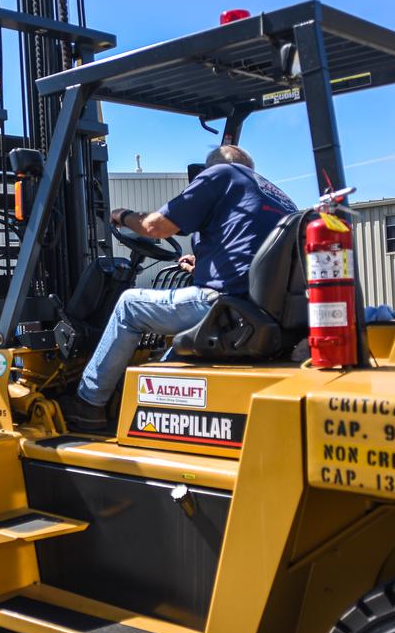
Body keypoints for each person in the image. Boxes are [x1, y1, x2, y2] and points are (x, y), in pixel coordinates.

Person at [60, 145, 297, 431]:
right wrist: (202, 266)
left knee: (128, 306)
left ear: (209, 168)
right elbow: (252, 258)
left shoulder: (221, 173)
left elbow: (154, 227)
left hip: (223, 304)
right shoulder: (276, 195)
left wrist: (121, 215)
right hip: (260, 309)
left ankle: (89, 402)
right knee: (167, 350)